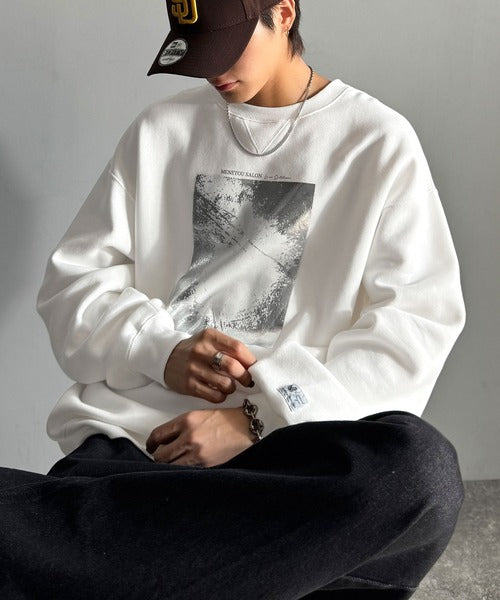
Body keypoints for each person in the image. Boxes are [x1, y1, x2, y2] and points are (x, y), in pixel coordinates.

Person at [0, 1, 466, 598]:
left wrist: (256, 419)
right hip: (141, 455)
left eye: (227, 45)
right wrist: (159, 350)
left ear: (284, 13)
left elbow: (415, 325)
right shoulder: (161, 131)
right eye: (197, 50)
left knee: (421, 474)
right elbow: (73, 287)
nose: (211, 70)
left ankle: (79, 552)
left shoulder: (376, 142)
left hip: (289, 469)